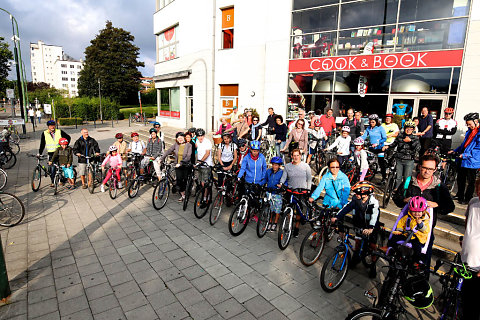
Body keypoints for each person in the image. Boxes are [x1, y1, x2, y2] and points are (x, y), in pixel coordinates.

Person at [392, 154, 455, 266]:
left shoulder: (439, 186)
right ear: (419, 166)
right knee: (397, 261)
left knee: (422, 264)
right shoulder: (409, 181)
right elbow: (396, 198)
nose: (427, 171)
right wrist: (405, 200)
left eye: (431, 169)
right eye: (425, 167)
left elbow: (450, 207)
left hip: (425, 231)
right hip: (406, 228)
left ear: (435, 169)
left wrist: (437, 205)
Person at [331, 181, 380, 278]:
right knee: (357, 241)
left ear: (365, 194)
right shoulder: (355, 200)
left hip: (371, 226)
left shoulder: (373, 203)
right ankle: (356, 257)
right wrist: (337, 216)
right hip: (359, 224)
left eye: (358, 193)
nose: (356, 195)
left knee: (372, 246)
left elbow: (375, 215)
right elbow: (346, 208)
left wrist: (371, 228)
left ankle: (373, 265)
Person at [279, 149, 312, 237]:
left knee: (299, 211)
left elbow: (309, 179)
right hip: (291, 191)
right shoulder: (287, 166)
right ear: (291, 156)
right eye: (294, 155)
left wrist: (308, 189)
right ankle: (289, 224)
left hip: (301, 192)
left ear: (300, 156)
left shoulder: (305, 166)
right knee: (288, 208)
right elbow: (284, 177)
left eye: (297, 155)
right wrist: (281, 184)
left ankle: (296, 227)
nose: (296, 157)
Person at [460, 177, 480, 320]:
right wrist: (465, 239)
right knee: (465, 301)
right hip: (466, 260)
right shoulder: (473, 202)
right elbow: (468, 225)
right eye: (478, 187)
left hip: (479, 267)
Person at [389, 196, 431, 263]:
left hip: (417, 237)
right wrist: (399, 230)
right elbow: (401, 223)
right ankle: (390, 250)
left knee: (417, 248)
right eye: (414, 212)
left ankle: (416, 261)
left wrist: (421, 225)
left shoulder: (425, 220)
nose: (417, 214)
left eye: (419, 212)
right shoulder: (407, 217)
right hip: (406, 234)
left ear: (423, 211)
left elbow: (426, 230)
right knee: (394, 238)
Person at [383, 119, 420, 189]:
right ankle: (396, 189)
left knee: (407, 177)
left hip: (409, 160)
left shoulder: (415, 138)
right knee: (398, 177)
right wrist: (387, 146)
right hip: (399, 158)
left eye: (411, 129)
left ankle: (404, 191)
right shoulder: (400, 136)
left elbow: (417, 148)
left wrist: (411, 141)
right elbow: (394, 143)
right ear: (404, 128)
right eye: (407, 128)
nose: (408, 130)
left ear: (413, 130)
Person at [452, 112, 480, 205]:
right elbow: (464, 145)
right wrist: (455, 150)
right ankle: (459, 194)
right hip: (464, 159)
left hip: (473, 160)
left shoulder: (479, 133)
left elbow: (477, 149)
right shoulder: (469, 131)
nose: (467, 125)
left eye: (469, 124)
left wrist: (464, 155)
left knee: (470, 181)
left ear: (476, 121)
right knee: (460, 178)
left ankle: (468, 198)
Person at [237, 140, 267, 220]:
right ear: (251, 150)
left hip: (258, 182)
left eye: (257, 151)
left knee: (255, 199)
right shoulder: (247, 158)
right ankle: (246, 213)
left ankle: (254, 214)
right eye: (254, 151)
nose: (255, 152)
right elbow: (243, 168)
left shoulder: (262, 157)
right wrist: (239, 177)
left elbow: (264, 168)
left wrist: (263, 178)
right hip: (248, 181)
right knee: (248, 198)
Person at [160, 132, 192, 202]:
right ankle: (183, 195)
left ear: (184, 138)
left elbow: (188, 157)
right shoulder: (176, 145)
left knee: (184, 180)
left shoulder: (189, 145)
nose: (180, 139)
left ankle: (184, 190)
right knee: (179, 180)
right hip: (177, 165)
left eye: (181, 138)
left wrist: (180, 163)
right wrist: (161, 158)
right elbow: (169, 150)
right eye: (178, 138)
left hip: (185, 165)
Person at [38, 120, 71, 186]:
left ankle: (61, 180)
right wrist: (40, 153)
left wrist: (65, 145)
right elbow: (42, 144)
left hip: (60, 152)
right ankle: (52, 181)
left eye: (53, 125)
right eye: (51, 126)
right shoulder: (44, 133)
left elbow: (68, 137)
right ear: (48, 127)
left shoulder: (59, 131)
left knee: (60, 166)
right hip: (51, 153)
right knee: (52, 168)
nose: (52, 127)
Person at [361, 114, 387, 181]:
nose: (371, 123)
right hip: (371, 148)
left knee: (381, 163)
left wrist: (377, 143)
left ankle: (384, 177)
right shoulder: (368, 128)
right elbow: (364, 136)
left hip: (379, 148)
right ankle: (366, 176)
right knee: (367, 162)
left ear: (376, 122)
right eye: (370, 122)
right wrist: (358, 140)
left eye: (373, 122)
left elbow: (384, 138)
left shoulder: (380, 128)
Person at [195, 128, 213, 207]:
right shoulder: (197, 142)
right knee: (202, 182)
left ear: (204, 135)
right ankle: (206, 194)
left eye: (202, 135)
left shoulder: (207, 142)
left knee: (205, 183)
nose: (200, 137)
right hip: (200, 165)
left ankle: (205, 199)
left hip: (206, 164)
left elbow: (207, 153)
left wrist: (200, 161)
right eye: (199, 136)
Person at [265, 157, 284, 232]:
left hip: (277, 193)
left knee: (277, 209)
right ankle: (270, 221)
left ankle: (275, 223)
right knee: (270, 208)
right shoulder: (268, 171)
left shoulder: (282, 173)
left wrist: (282, 186)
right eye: (273, 164)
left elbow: (284, 181)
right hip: (269, 192)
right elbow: (265, 179)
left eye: (276, 165)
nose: (274, 167)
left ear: (279, 166)